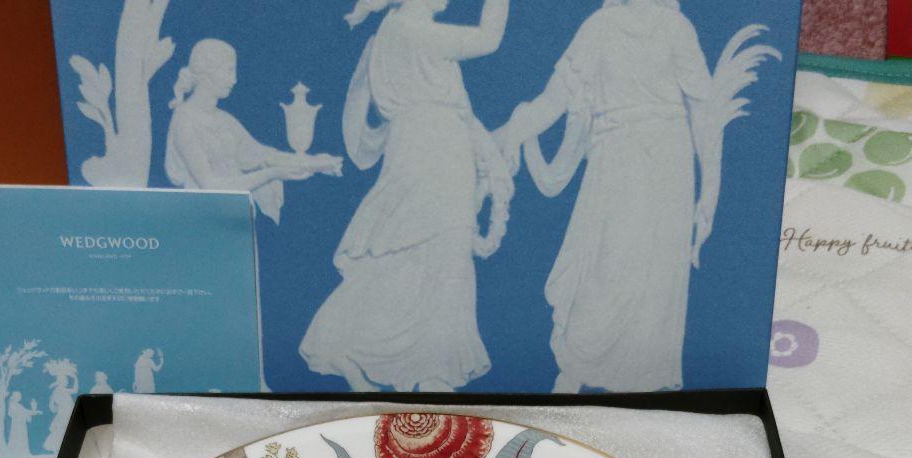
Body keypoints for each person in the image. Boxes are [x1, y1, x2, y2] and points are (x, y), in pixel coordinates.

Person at [496, 0, 767, 392]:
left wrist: (710, 191)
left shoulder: (675, 28)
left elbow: (703, 114)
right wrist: (497, 140)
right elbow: (551, 102)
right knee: (603, 268)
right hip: (618, 158)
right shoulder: (600, 26)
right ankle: (574, 374)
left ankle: (637, 393)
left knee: (653, 280)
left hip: (666, 165)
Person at [300, 0, 514, 393]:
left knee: (422, 252)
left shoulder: (398, 32)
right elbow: (489, 39)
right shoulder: (412, 31)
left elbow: (461, 109)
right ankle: (372, 352)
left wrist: (490, 158)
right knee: (432, 249)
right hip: (431, 149)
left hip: (433, 145)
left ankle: (429, 367)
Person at [165, 38, 342, 223]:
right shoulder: (184, 121)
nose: (234, 80)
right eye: (229, 70)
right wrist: (272, 173)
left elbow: (264, 155)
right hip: (203, 223)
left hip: (235, 219)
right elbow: (211, 186)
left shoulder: (224, 120)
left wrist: (315, 162)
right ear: (208, 72)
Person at [5, 392, 40, 458]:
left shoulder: (19, 405)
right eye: (18, 396)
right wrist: (27, 413)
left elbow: (26, 411)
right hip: (17, 424)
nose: (19, 398)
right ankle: (16, 452)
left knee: (22, 436)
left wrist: (35, 411)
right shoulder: (12, 405)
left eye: (19, 396)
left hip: (21, 423)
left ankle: (22, 451)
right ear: (14, 397)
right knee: (17, 435)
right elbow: (12, 413)